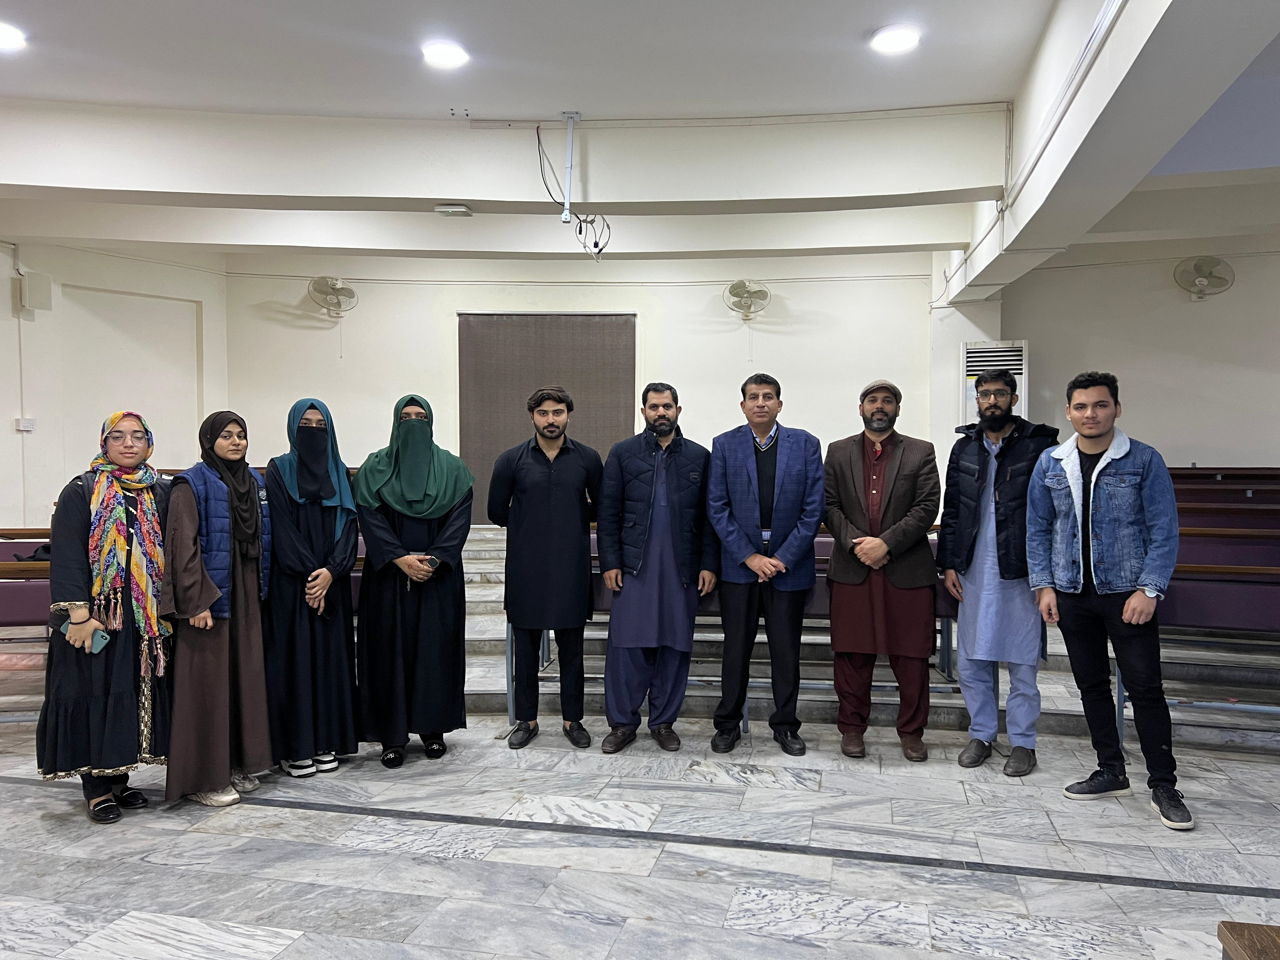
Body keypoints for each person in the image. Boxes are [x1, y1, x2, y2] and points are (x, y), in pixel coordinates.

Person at [1027, 371, 1193, 830]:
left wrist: (1150, 588)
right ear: (1068, 412)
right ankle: (1110, 769)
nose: (1091, 414)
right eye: (1081, 406)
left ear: (1116, 409)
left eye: (1100, 405)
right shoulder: (1050, 462)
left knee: (1145, 689)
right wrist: (1044, 586)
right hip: (1072, 592)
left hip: (1127, 593)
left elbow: (1164, 530)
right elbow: (1038, 529)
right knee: (1092, 686)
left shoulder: (1143, 459)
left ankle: (1164, 784)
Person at [37, 412, 173, 823]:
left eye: (137, 436)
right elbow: (67, 554)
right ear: (104, 443)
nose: (128, 443)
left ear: (149, 444)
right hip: (95, 616)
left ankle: (118, 779)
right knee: (92, 692)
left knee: (124, 695)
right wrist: (78, 614)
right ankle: (96, 789)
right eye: (118, 436)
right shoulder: (82, 490)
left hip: (140, 617)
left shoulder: (159, 491)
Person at [937, 371, 1058, 776]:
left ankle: (1023, 742)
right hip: (973, 568)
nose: (992, 401)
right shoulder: (964, 447)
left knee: (1022, 662)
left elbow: (1054, 512)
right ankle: (982, 734)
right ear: (976, 399)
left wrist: (1046, 577)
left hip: (1021, 569)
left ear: (1013, 398)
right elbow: (952, 510)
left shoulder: (1040, 445)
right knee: (973, 658)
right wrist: (948, 563)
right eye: (985, 394)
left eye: (1000, 394)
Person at [707, 373, 823, 756]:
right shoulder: (724, 445)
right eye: (753, 397)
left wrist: (782, 557)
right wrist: (750, 556)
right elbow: (717, 507)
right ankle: (727, 725)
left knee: (786, 653)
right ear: (742, 405)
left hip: (789, 567)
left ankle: (785, 725)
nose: (761, 402)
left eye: (768, 396)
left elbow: (813, 509)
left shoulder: (805, 444)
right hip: (740, 568)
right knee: (735, 650)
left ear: (779, 404)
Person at [823, 380, 940, 761]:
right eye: (872, 400)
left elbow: (927, 506)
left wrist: (886, 543)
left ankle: (911, 733)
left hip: (906, 570)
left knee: (911, 658)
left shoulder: (921, 451)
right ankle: (852, 729)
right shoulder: (838, 451)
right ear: (860, 408)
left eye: (887, 401)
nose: (879, 406)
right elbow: (829, 505)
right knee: (852, 656)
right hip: (852, 568)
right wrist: (859, 545)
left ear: (897, 409)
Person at [598, 383, 718, 753]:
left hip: (681, 569)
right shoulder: (622, 453)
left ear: (678, 410)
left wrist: (708, 564)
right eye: (654, 407)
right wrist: (610, 561)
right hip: (635, 567)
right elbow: (607, 513)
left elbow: (710, 517)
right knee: (627, 646)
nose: (660, 412)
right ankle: (622, 724)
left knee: (674, 646)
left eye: (667, 406)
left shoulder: (699, 456)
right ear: (644, 412)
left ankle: (663, 722)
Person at [355, 395, 474, 768]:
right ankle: (391, 736)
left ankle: (433, 730)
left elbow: (459, 522)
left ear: (431, 422)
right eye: (406, 417)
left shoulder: (453, 470)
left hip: (438, 581)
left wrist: (433, 560)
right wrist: (400, 558)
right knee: (388, 654)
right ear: (395, 423)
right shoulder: (374, 469)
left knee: (434, 654)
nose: (413, 423)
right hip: (388, 580)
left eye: (420, 417)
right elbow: (370, 519)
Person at [164, 411, 273, 806]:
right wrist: (196, 600)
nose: (236, 442)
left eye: (241, 435)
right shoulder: (190, 483)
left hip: (245, 593)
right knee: (206, 688)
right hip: (209, 598)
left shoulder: (254, 482)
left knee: (243, 681)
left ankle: (236, 763)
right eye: (226, 435)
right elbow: (183, 546)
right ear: (209, 441)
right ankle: (204, 778)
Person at [487, 385, 602, 749]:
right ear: (532, 417)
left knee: (572, 652)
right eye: (543, 413)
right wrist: (532, 522)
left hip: (571, 568)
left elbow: (601, 506)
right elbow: (495, 511)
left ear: (568, 415)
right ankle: (527, 720)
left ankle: (573, 720)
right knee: (525, 651)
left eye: (557, 412)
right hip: (526, 569)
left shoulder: (587, 459)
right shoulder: (510, 460)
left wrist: (568, 517)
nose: (551, 420)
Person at [265, 399, 358, 777]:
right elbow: (281, 527)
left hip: (331, 584)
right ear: (292, 428)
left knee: (329, 662)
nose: (314, 431)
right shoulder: (279, 469)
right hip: (293, 585)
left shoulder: (340, 471)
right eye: (306, 424)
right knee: (296, 662)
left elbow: (349, 526)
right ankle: (296, 747)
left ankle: (326, 740)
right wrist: (311, 575)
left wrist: (332, 572)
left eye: (321, 425)